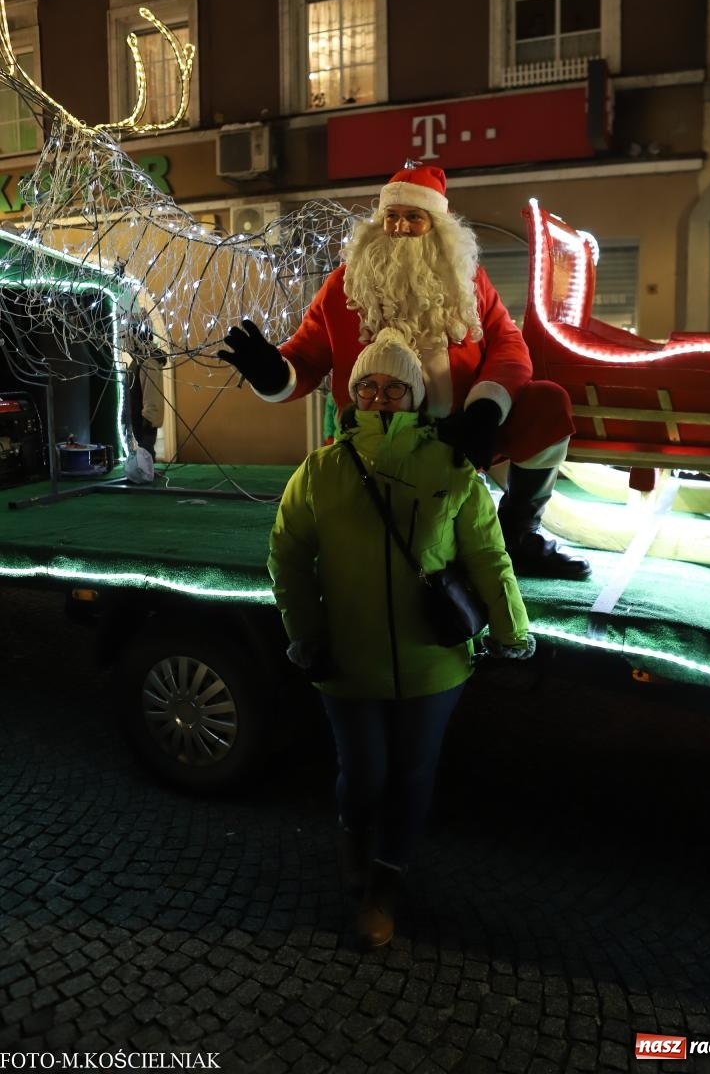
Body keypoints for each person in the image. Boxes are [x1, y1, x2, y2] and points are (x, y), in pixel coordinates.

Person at [267, 328, 534, 949]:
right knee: (362, 775)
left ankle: (386, 884)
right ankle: (354, 848)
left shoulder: (450, 467)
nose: (381, 397)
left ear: (415, 398)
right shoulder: (321, 469)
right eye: (369, 386)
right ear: (353, 396)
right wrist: (305, 634)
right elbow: (287, 553)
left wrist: (510, 630)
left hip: (433, 665)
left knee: (412, 776)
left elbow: (488, 554)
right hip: (349, 660)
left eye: (395, 388)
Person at [219, 164, 590, 580]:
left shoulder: (468, 280)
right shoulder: (345, 286)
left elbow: (508, 344)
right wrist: (273, 374)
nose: (399, 228)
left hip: (461, 433)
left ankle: (519, 534)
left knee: (547, 404)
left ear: (437, 227)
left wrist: (486, 409)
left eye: (414, 217)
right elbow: (304, 357)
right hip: (380, 438)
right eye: (391, 217)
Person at [126, 318, 167, 462]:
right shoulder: (138, 360)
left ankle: (147, 474)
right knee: (143, 453)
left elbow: (151, 393)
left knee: (146, 452)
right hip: (137, 414)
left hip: (145, 418)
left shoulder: (149, 362)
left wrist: (148, 418)